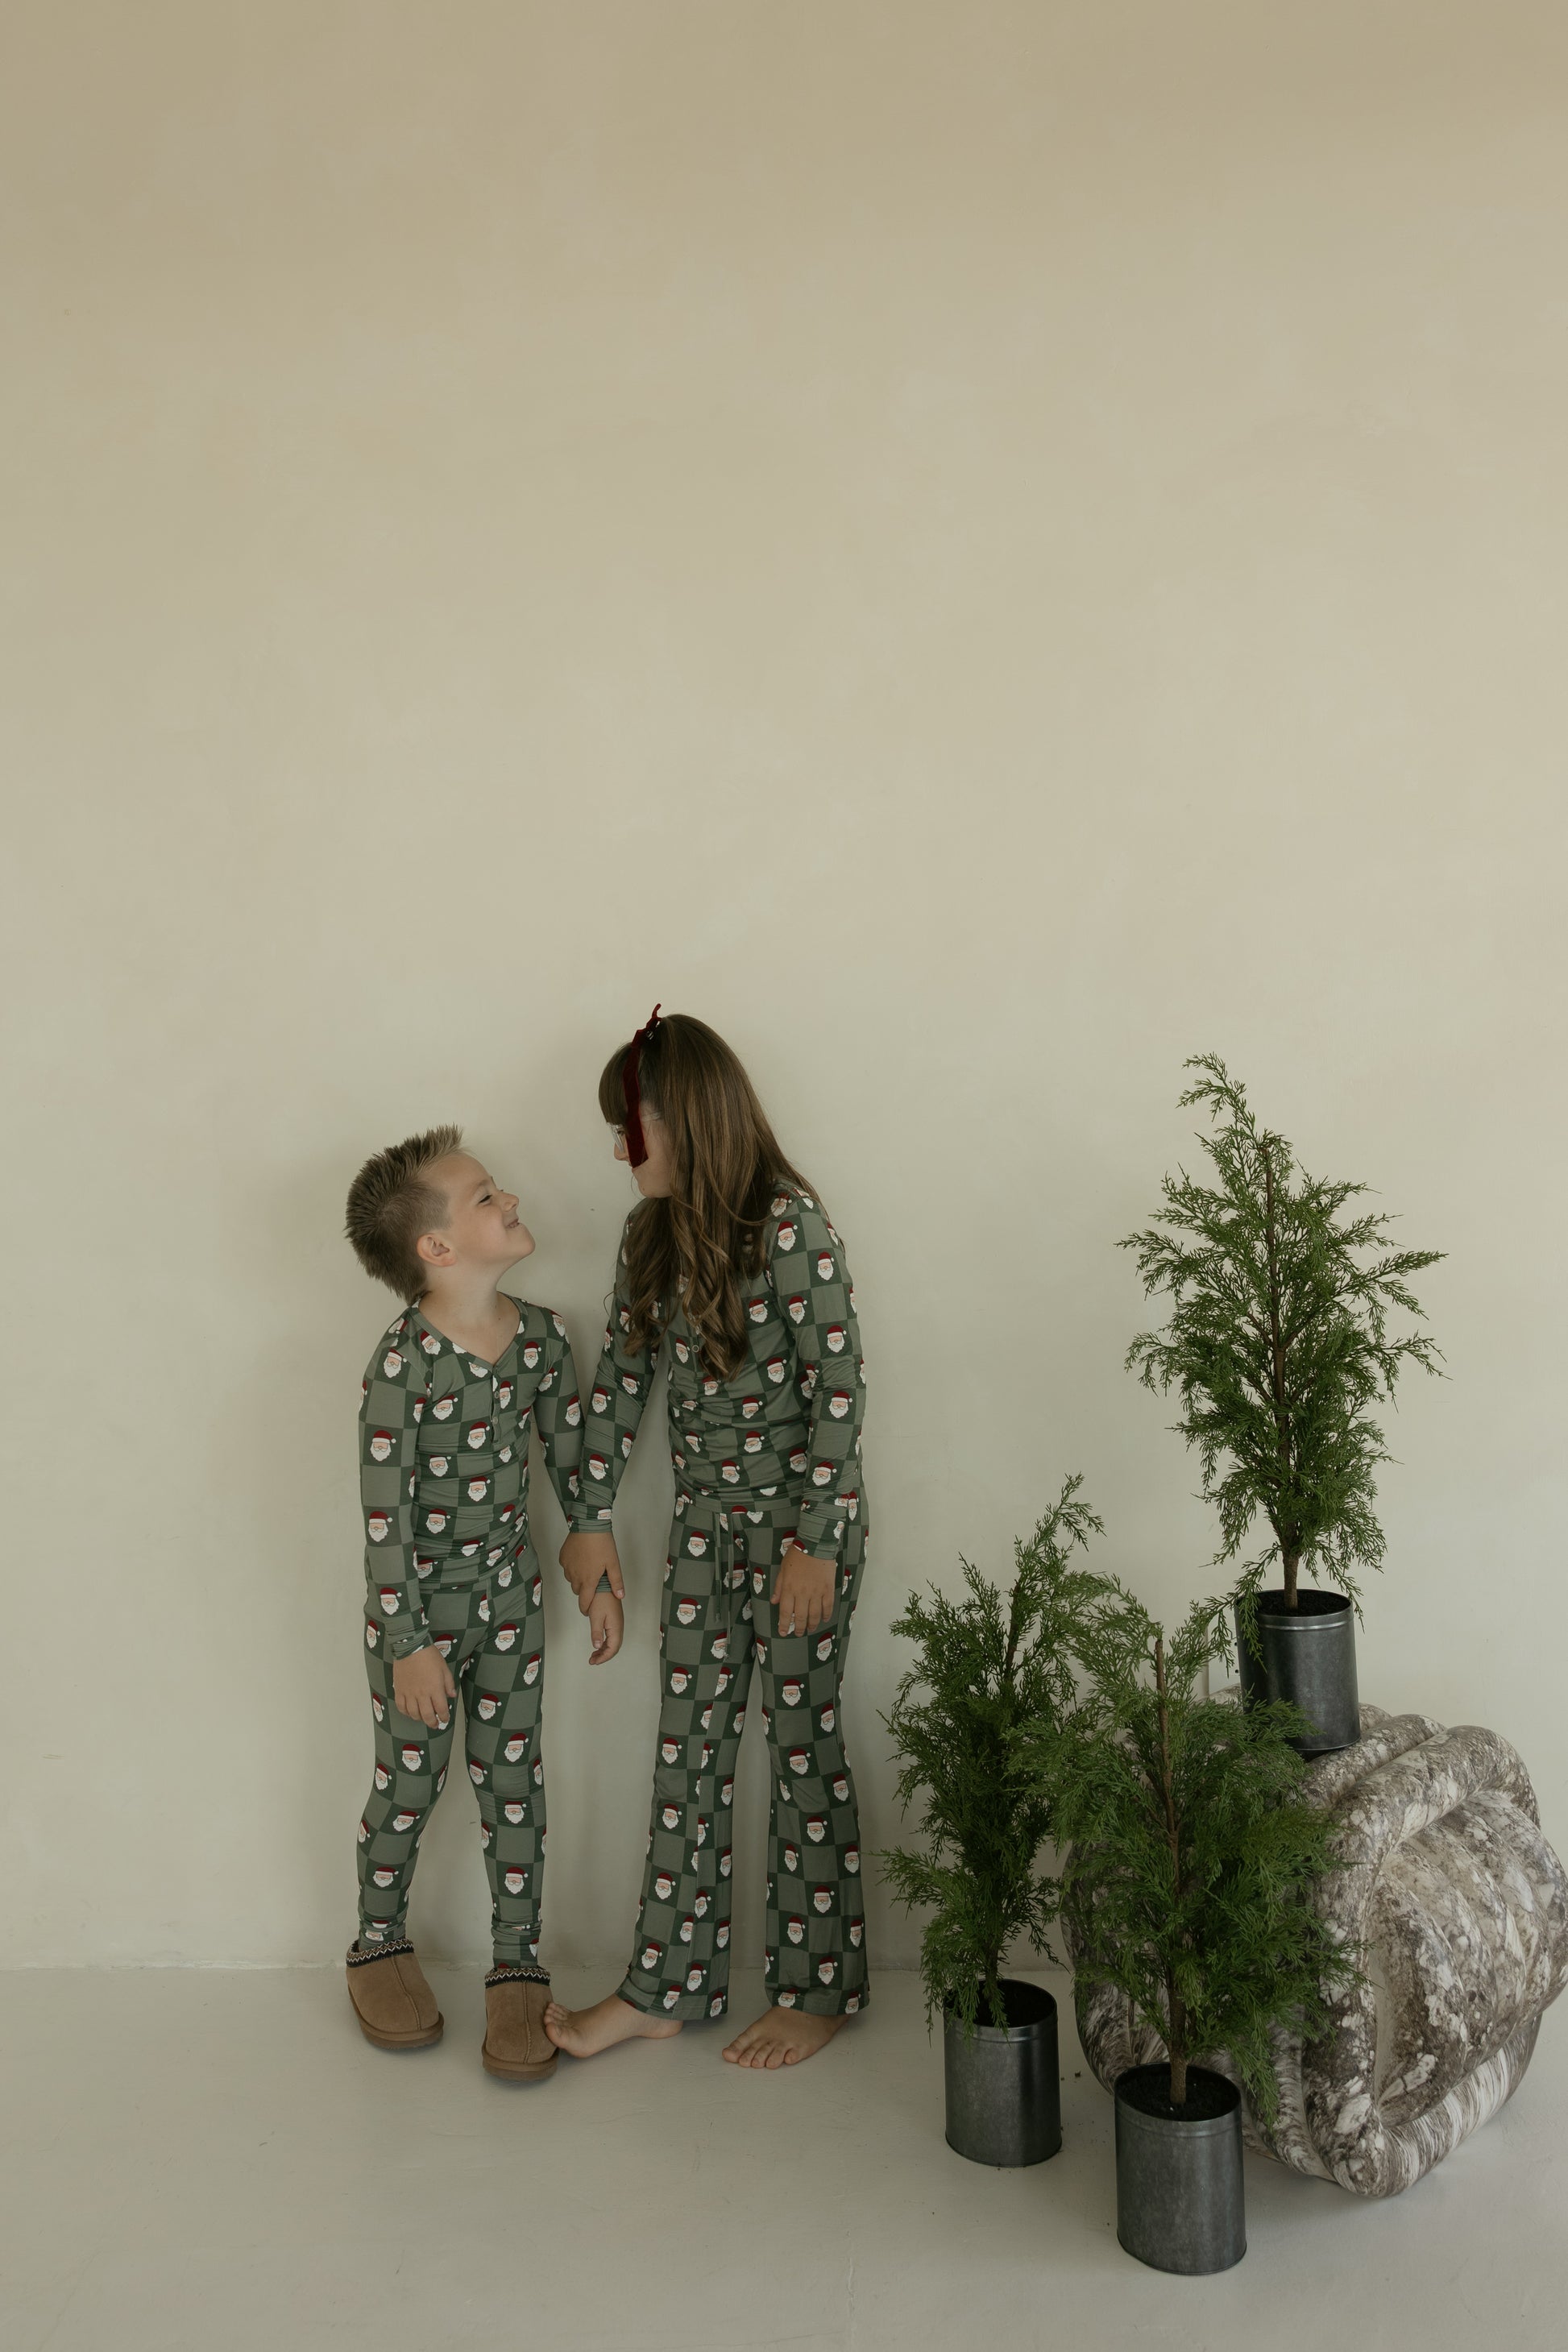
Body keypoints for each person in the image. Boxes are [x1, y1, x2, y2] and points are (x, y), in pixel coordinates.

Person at [545, 1011, 869, 2068]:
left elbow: (837, 1393)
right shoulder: (649, 1239)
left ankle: (815, 1987)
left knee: (799, 1749)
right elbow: (620, 1393)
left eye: (625, 1126)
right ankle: (663, 1982)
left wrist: (814, 1542)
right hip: (701, 1537)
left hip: (797, 1539)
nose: (615, 1150)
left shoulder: (789, 1227)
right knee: (685, 1758)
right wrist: (588, 1518)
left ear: (680, 1119)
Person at [344, 1126, 621, 2080]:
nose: (509, 1202)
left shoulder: (541, 1339)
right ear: (437, 1248)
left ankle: (517, 1963)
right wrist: (408, 1644)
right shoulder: (401, 1368)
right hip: (416, 1622)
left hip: (511, 1605)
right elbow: (382, 1529)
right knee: (409, 1788)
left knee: (515, 1788)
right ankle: (377, 1941)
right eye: (485, 1198)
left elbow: (573, 1464)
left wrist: (594, 1563)